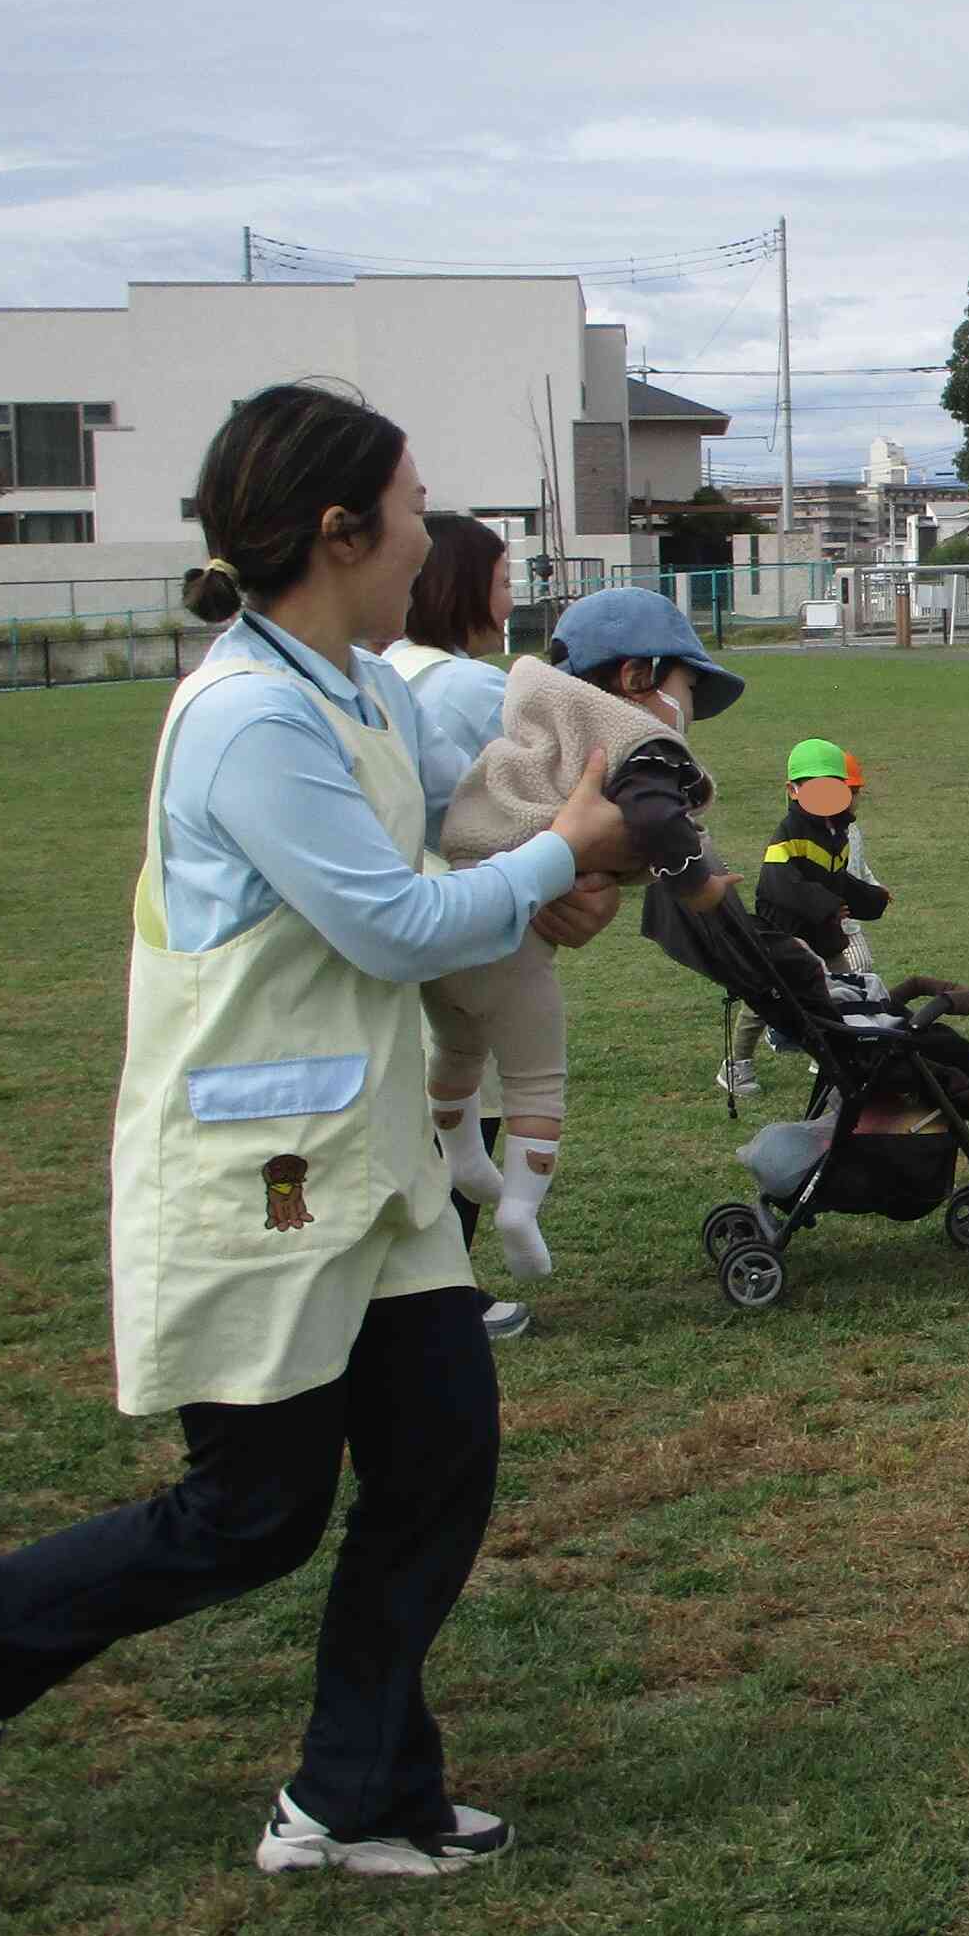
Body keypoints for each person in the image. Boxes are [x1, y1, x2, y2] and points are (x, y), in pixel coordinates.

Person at [0, 381, 635, 1876]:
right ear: (342, 528)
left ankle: (355, 1794)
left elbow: (435, 846)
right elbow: (395, 921)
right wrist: (560, 849)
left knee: (438, 1457)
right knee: (253, 1510)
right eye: (412, 505)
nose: (430, 531)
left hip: (368, 1159)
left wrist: (554, 878)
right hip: (264, 1165)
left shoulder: (358, 684)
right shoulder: (248, 716)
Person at [425, 585, 740, 1282]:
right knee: (535, 1080)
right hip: (511, 942)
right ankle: (519, 1209)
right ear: (637, 677)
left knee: (457, 1050)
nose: (686, 716)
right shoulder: (635, 744)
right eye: (685, 691)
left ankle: (465, 1156)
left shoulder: (532, 722)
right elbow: (658, 823)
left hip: (447, 928)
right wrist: (697, 882)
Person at [381, 512, 537, 1339]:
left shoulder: (387, 672)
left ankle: (439, 1289)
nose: (513, 595)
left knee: (425, 1107)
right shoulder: (472, 687)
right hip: (459, 925)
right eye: (506, 578)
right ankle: (451, 1294)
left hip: (402, 935)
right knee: (466, 1105)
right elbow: (526, 807)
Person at [719, 738, 887, 1101]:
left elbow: (838, 877)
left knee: (840, 988)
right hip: (784, 933)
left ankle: (837, 1062)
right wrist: (828, 905)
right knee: (764, 998)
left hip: (822, 932)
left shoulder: (838, 833)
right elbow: (781, 885)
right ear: (793, 790)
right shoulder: (788, 835)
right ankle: (735, 1065)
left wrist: (869, 899)